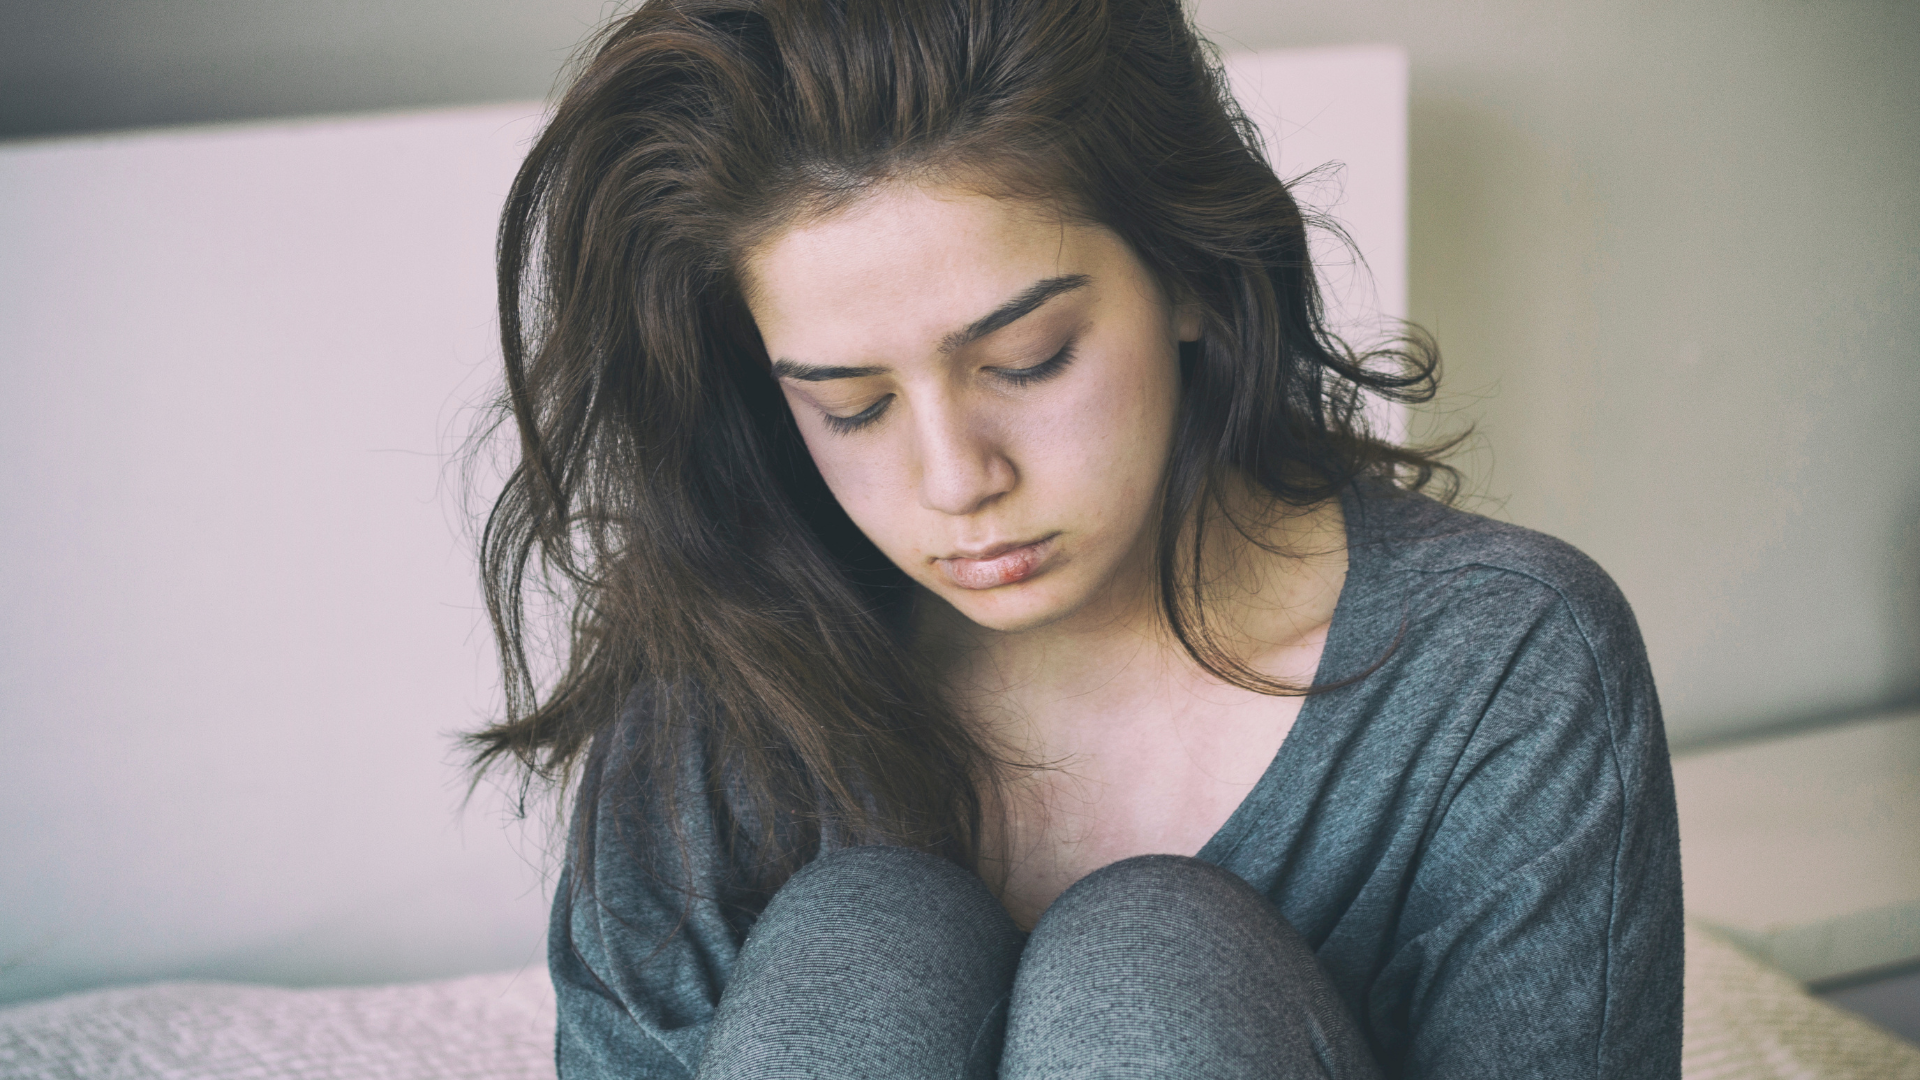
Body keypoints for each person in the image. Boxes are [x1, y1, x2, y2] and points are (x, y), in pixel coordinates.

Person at [466, 0, 1684, 1076]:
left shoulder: (1496, 672)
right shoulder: (715, 694)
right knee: (863, 947)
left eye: (1028, 360)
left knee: (1146, 970)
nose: (956, 480)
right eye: (853, 405)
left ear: (1192, 273)